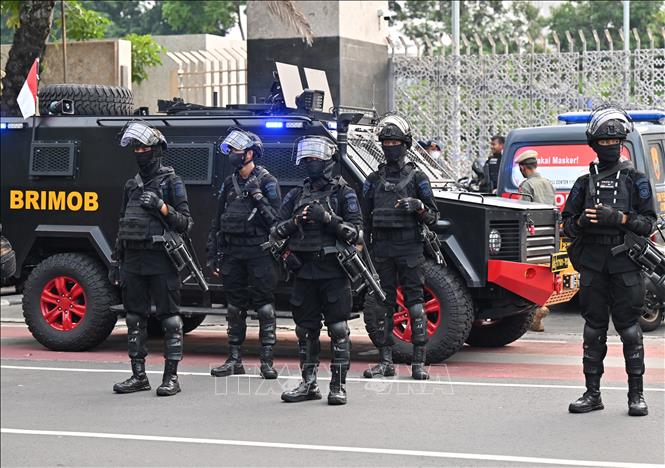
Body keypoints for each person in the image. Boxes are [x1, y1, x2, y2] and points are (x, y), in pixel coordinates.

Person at [562, 107, 657, 416]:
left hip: (625, 262)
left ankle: (636, 396)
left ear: (622, 142)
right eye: (604, 141)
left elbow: (649, 223)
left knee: (629, 328)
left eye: (614, 140)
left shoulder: (636, 181)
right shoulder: (581, 183)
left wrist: (619, 217)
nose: (609, 146)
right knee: (593, 329)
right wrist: (583, 222)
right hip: (593, 263)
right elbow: (566, 225)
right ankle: (592, 394)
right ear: (593, 143)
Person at [272, 135, 362, 405]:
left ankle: (338, 385)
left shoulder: (343, 193)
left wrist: (328, 219)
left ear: (328, 162)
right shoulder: (295, 194)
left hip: (333, 272)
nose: (312, 164)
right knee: (305, 330)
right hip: (303, 271)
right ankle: (309, 383)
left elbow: (356, 234)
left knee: (337, 329)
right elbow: (275, 230)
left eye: (316, 159)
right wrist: (295, 221)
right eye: (308, 159)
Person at [110, 121, 193, 397]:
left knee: (170, 319)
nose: (139, 152)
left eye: (144, 147)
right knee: (134, 317)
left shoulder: (172, 182)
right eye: (136, 147)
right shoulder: (130, 185)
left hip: (161, 259)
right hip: (133, 258)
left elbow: (185, 224)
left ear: (156, 151)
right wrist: (116, 261)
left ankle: (171, 378)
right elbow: (122, 223)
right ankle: (138, 376)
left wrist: (162, 206)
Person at [362, 115, 440, 380]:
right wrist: (365, 248)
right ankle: (385, 361)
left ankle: (418, 363)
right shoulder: (372, 180)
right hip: (382, 249)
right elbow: (365, 217)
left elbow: (434, 216)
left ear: (405, 145)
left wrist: (418, 207)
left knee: (415, 305)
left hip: (409, 248)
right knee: (384, 305)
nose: (391, 146)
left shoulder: (418, 177)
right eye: (386, 142)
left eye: (395, 142)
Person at [207, 129, 281, 379]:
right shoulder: (229, 183)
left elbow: (277, 222)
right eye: (231, 152)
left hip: (260, 252)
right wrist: (213, 252)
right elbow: (217, 220)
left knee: (264, 308)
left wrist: (258, 198)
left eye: (237, 151)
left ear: (250, 154)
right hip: (233, 252)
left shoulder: (267, 181)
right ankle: (234, 359)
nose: (233, 156)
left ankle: (267, 361)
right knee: (234, 307)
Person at [515, 150, 557, 332]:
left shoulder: (527, 185)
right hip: (548, 237)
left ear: (524, 168)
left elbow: (522, 210)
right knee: (545, 274)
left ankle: (536, 310)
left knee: (528, 277)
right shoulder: (548, 183)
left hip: (531, 236)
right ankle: (537, 315)